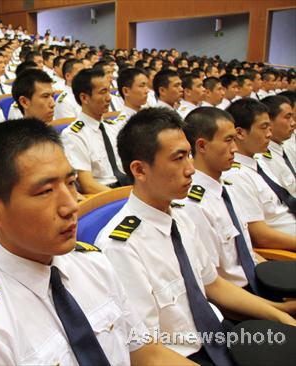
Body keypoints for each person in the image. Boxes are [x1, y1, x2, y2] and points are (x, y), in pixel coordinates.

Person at [0, 118, 194, 365]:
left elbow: (146, 354)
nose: (71, 206)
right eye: (46, 191)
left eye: (70, 183)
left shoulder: (93, 263)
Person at [95, 107, 296, 364]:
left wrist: (280, 314)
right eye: (178, 158)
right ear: (140, 170)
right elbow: (146, 352)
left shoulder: (181, 215)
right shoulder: (121, 246)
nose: (191, 169)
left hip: (221, 337)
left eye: (189, 155)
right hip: (186, 355)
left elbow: (213, 284)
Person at [182, 107, 296, 302]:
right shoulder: (194, 204)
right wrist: (277, 309)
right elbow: (213, 286)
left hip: (259, 280)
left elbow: (247, 253)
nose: (235, 148)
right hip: (241, 298)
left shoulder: (225, 188)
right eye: (228, 140)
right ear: (201, 146)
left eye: (234, 139)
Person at [223, 98, 296, 250]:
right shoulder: (236, 176)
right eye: (263, 128)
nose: (269, 134)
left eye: (270, 128)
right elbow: (261, 237)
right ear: (240, 133)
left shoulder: (259, 163)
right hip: (285, 250)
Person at [62, 68, 130, 194]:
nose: (109, 98)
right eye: (103, 92)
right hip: (104, 195)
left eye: (109, 91)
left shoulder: (112, 128)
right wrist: (125, 197)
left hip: (126, 186)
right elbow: (87, 185)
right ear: (84, 98)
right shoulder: (73, 135)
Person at [258, 95, 296, 196]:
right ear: (269, 121)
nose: (293, 123)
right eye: (287, 117)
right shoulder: (263, 159)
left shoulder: (286, 146)